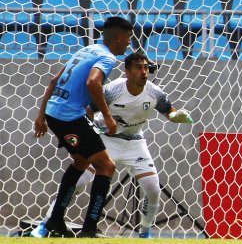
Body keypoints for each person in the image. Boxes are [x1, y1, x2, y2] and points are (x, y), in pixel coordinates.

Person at [32, 52, 194, 239]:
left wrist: (177, 116)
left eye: (146, 68)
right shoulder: (112, 90)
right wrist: (93, 130)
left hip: (135, 143)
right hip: (105, 140)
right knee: (79, 181)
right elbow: (88, 110)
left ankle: (145, 232)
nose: (144, 72)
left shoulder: (155, 92)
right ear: (127, 71)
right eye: (139, 68)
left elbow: (169, 112)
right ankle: (45, 225)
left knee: (153, 189)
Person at [32, 16, 134, 238]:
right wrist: (107, 117)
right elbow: (93, 82)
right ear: (118, 38)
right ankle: (89, 229)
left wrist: (41, 116)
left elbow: (53, 80)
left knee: (80, 161)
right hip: (70, 117)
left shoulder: (86, 50)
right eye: (127, 38)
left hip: (54, 113)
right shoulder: (106, 57)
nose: (128, 43)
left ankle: (56, 220)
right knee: (106, 166)